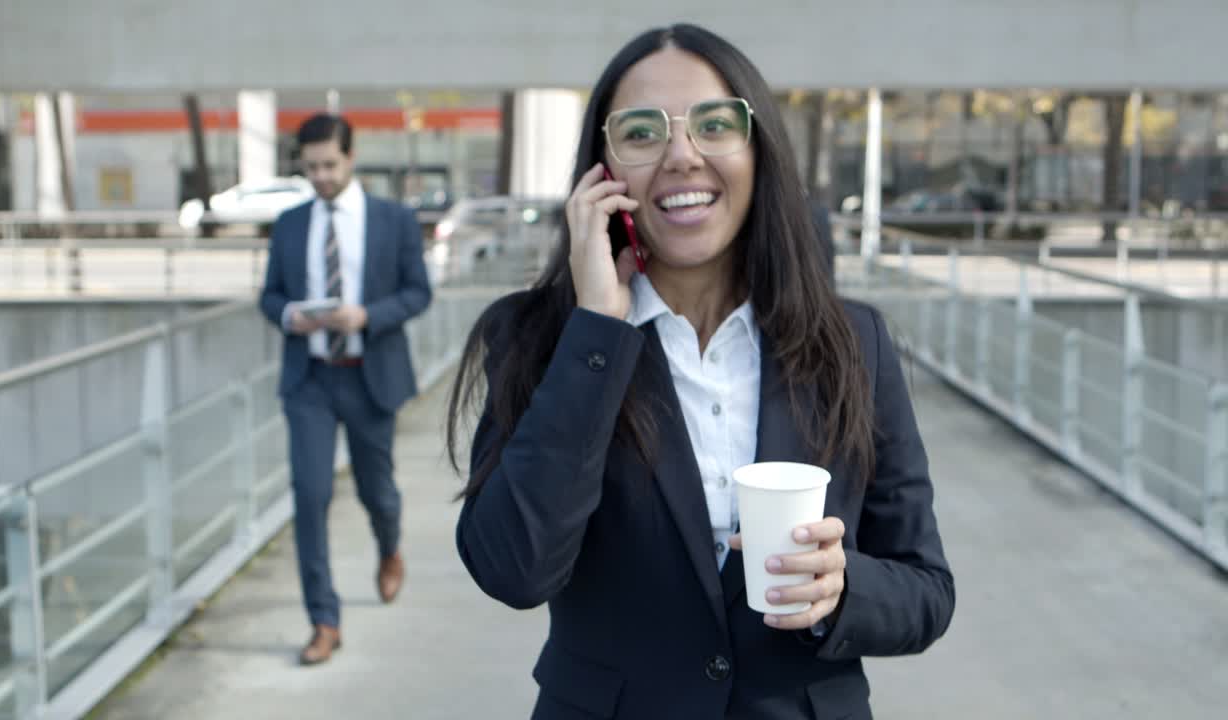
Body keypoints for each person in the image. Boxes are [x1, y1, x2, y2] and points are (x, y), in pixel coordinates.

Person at [446, 24, 953, 718]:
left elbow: (927, 589)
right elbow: (513, 568)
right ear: (601, 172)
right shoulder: (541, 337)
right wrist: (597, 333)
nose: (682, 156)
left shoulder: (851, 342)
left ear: (759, 150)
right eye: (642, 133)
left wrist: (843, 590)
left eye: (715, 125)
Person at [259, 113, 431, 665]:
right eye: (311, 168)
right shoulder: (289, 224)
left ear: (350, 157)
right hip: (308, 379)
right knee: (309, 496)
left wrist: (367, 316)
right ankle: (324, 620)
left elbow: (418, 293)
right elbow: (269, 296)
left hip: (369, 376)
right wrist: (290, 315)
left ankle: (390, 547)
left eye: (329, 165)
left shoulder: (393, 220)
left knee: (376, 492)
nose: (321, 177)